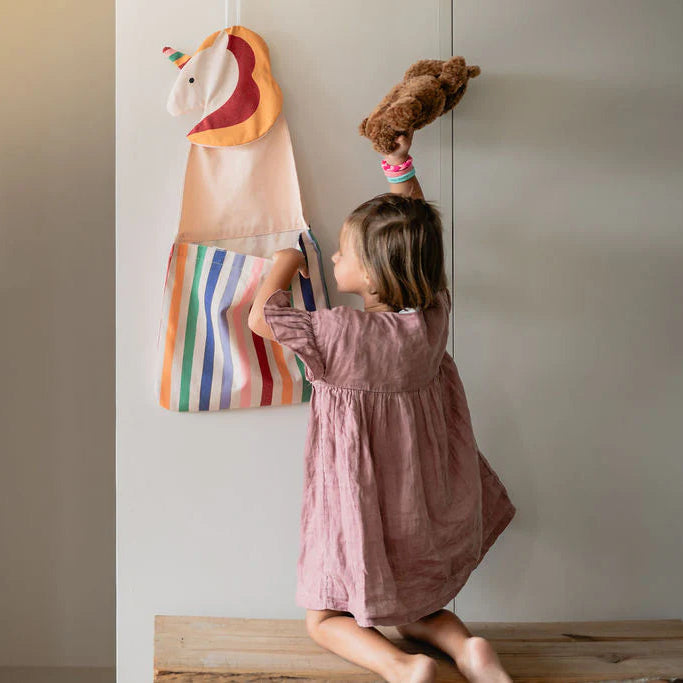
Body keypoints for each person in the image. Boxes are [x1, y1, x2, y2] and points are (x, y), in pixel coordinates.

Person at [247, 129, 517, 683]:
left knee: (325, 618)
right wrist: (399, 168)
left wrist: (285, 261)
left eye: (344, 252)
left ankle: (401, 667)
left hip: (358, 501)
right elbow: (418, 235)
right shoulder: (431, 316)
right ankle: (468, 651)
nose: (335, 255)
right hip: (420, 495)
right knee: (417, 606)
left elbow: (262, 317)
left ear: (369, 276)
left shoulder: (336, 333)